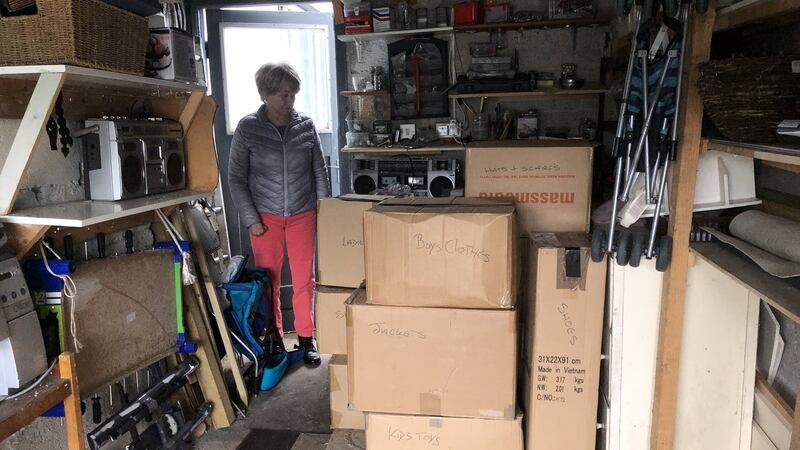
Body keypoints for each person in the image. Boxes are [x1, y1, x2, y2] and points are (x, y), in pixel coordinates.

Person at [228, 62, 330, 367]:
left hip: (303, 214)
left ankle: (306, 338)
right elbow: (236, 178)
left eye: (292, 94)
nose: (289, 101)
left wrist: (325, 212)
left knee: (304, 280)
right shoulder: (248, 128)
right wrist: (251, 219)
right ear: (265, 95)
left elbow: (319, 172)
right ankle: (273, 337)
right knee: (269, 282)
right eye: (283, 95)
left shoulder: (306, 126)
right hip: (265, 219)